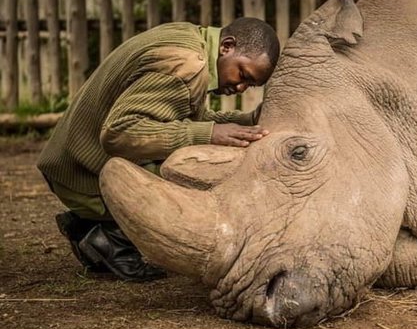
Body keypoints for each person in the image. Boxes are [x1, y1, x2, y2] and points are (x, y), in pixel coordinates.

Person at [37, 18, 280, 282]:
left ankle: (93, 225)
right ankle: (107, 235)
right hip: (81, 175)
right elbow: (119, 133)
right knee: (201, 172)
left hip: (71, 161)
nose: (241, 87)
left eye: (250, 85)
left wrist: (247, 121)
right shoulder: (186, 65)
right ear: (227, 47)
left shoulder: (189, 39)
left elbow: (183, 118)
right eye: (243, 74)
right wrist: (208, 134)